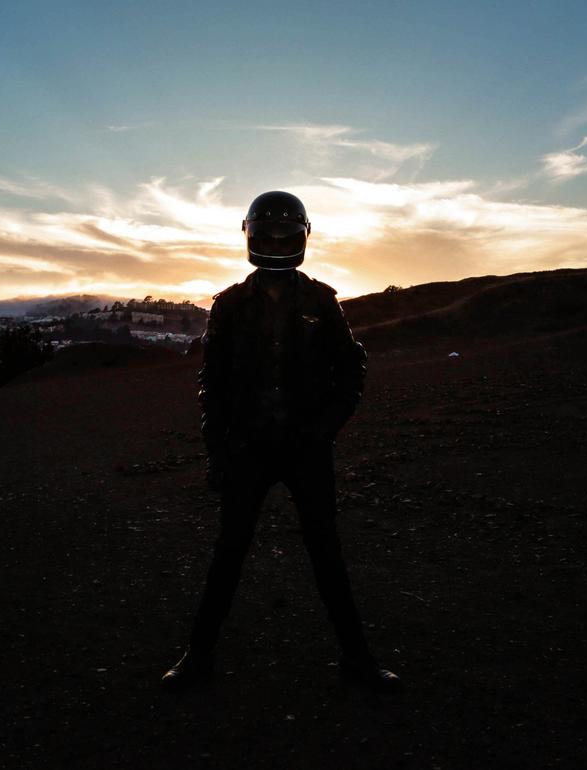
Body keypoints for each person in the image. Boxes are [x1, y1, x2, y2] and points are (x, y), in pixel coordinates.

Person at [161, 190, 400, 692]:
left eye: (283, 233)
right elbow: (214, 384)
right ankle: (197, 657)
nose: (275, 241)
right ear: (251, 235)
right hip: (248, 447)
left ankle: (357, 659)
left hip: (305, 448)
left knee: (325, 552)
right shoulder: (228, 306)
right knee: (230, 551)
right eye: (267, 233)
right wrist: (220, 449)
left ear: (301, 236)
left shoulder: (321, 300)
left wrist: (325, 427)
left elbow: (350, 366)